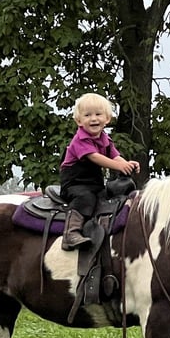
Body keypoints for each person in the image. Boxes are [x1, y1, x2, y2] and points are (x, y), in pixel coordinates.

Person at [59, 93, 139, 251]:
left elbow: (115, 156)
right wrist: (118, 167)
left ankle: (102, 232)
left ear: (107, 118)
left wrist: (126, 164)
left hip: (93, 183)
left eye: (98, 114)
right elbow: (95, 157)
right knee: (85, 198)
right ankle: (71, 233)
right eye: (87, 115)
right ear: (79, 121)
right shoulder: (80, 140)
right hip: (75, 183)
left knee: (105, 199)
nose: (93, 119)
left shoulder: (105, 139)